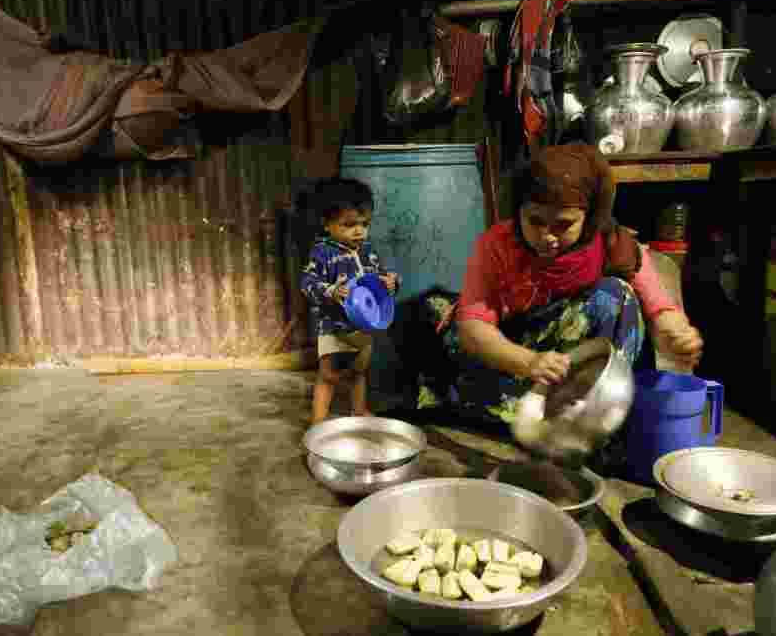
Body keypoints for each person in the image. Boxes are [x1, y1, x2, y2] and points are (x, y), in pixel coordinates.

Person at [411, 143, 703, 460]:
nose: (547, 236)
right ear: (518, 210)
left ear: (589, 216)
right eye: (535, 221)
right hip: (511, 353)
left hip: (563, 362)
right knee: (446, 332)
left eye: (563, 225)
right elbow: (473, 328)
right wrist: (529, 362)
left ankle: (592, 417)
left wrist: (675, 332)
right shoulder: (495, 246)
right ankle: (531, 416)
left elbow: (659, 308)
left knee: (618, 297)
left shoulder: (610, 242)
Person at [300, 177, 400, 425]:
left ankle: (359, 411)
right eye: (349, 225)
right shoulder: (322, 253)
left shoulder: (368, 251)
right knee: (328, 376)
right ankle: (318, 421)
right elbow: (307, 283)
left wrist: (391, 283)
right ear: (327, 224)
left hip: (363, 326)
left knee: (359, 372)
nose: (359, 231)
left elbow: (380, 282)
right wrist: (330, 291)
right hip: (333, 327)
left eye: (364, 224)